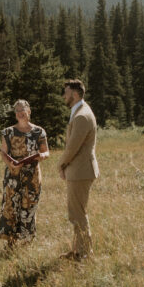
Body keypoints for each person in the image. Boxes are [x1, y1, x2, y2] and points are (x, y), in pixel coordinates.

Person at [0, 99, 50, 246]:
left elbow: (46, 151)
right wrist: (10, 164)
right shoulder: (7, 132)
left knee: (29, 206)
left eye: (23, 110)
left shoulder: (39, 131)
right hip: (13, 175)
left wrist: (42, 156)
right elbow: (3, 153)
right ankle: (10, 242)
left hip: (32, 175)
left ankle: (27, 241)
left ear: (29, 111)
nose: (20, 113)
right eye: (17, 111)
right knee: (11, 205)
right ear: (15, 114)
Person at [58, 79, 99, 260]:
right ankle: (77, 250)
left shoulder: (82, 116)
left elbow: (72, 147)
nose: (63, 96)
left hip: (81, 171)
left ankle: (83, 254)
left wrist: (60, 164)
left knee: (78, 213)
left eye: (66, 92)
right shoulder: (80, 112)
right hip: (79, 170)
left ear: (75, 94)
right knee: (76, 212)